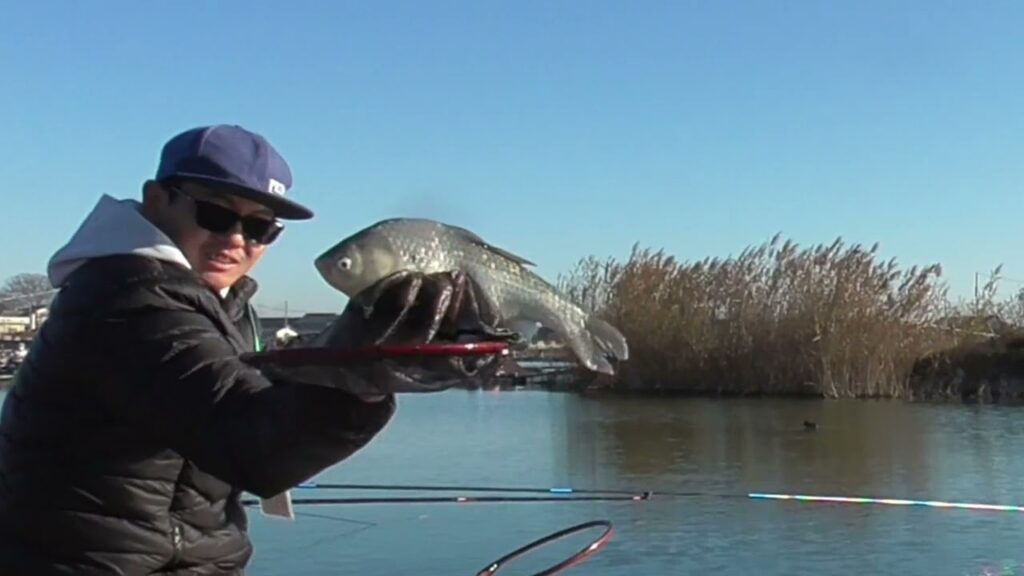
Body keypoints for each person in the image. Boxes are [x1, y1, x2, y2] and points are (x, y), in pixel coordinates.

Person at [0, 124, 496, 575]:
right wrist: (361, 370)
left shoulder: (205, 301)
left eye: (261, 227)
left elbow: (255, 395)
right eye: (215, 213)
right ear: (157, 200)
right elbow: (250, 441)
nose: (236, 240)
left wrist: (365, 356)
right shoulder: (128, 300)